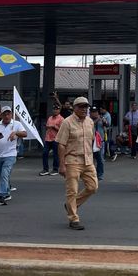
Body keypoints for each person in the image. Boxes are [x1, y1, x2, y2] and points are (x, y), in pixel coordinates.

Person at [56, 97, 98, 229]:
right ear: (74, 108)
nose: (84, 109)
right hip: (72, 160)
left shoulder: (90, 122)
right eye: (81, 106)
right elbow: (61, 145)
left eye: (86, 106)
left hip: (88, 160)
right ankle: (73, 218)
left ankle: (71, 205)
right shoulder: (67, 122)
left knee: (93, 187)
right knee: (72, 191)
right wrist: (62, 165)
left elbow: (91, 141)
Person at [0, 106, 26, 206]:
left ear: (11, 114)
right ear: (1, 115)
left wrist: (15, 133)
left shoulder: (16, 124)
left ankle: (1, 195)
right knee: (1, 176)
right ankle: (7, 192)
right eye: (4, 114)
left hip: (10, 154)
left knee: (5, 174)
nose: (7, 115)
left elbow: (24, 133)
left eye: (8, 113)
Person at [40, 105, 62, 175]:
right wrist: (47, 127)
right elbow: (47, 127)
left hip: (56, 139)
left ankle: (55, 169)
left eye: (56, 109)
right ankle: (45, 169)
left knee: (56, 155)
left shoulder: (61, 119)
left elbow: (62, 130)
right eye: (54, 109)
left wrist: (54, 127)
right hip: (48, 138)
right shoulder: (50, 118)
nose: (55, 111)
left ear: (59, 110)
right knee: (44, 153)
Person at [90, 107, 107, 182]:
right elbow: (91, 125)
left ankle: (100, 174)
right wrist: (97, 119)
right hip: (91, 141)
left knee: (100, 159)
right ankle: (90, 174)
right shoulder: (88, 120)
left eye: (96, 112)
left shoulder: (102, 118)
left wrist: (104, 121)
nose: (95, 113)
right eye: (93, 112)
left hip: (99, 141)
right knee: (89, 159)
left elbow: (107, 125)